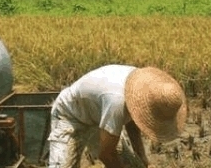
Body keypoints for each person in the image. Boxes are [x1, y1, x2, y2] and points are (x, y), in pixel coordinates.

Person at [47, 64, 188, 168]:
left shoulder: (139, 87)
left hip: (99, 116)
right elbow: (106, 154)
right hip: (70, 115)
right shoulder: (116, 102)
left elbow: (134, 120)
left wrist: (143, 159)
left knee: (134, 165)